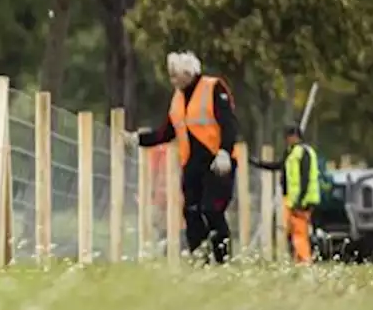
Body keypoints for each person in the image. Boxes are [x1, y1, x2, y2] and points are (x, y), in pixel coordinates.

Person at [131, 51, 237, 263]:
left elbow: (229, 122)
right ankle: (199, 258)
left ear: (189, 73)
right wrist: (138, 139)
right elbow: (166, 132)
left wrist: (225, 150)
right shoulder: (178, 99)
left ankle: (222, 257)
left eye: (175, 75)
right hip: (191, 164)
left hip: (217, 163)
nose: (172, 80)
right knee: (191, 211)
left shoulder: (213, 87)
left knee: (212, 209)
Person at [249, 124, 321, 264]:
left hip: (302, 200)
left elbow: (305, 178)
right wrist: (258, 163)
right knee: (293, 233)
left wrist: (300, 200)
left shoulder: (303, 152)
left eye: (288, 137)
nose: (287, 140)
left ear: (295, 136)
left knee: (299, 232)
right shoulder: (291, 152)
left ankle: (304, 261)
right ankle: (298, 259)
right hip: (291, 199)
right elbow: (279, 166)